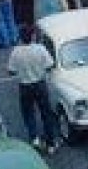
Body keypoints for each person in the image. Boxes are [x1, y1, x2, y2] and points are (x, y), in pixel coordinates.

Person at [5, 26, 58, 154]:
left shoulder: (16, 52)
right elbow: (50, 65)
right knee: (46, 114)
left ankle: (34, 138)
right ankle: (51, 144)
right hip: (40, 84)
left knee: (28, 114)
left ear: (20, 38)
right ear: (33, 36)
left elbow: (11, 71)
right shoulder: (40, 49)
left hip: (25, 86)